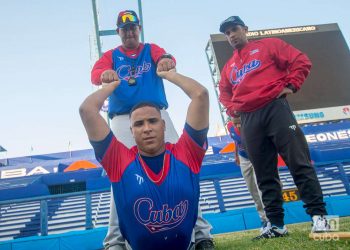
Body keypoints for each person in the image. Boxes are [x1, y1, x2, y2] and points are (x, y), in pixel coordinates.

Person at [91, 10, 213, 249]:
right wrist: (103, 74)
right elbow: (96, 74)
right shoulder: (111, 55)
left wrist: (168, 61)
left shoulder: (151, 49)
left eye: (133, 27)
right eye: (124, 29)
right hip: (124, 119)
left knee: (185, 168)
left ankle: (201, 234)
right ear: (118, 32)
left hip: (155, 115)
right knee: (121, 178)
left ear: (139, 29)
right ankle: (114, 241)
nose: (129, 32)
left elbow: (166, 57)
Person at [218, 16, 329, 239]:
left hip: (274, 108)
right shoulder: (229, 66)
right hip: (249, 119)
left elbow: (300, 60)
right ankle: (276, 225)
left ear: (245, 29)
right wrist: (234, 110)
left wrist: (291, 85)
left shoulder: (269, 45)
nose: (231, 35)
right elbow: (224, 93)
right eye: (227, 33)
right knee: (264, 173)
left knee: (298, 162)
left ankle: (320, 219)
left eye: (234, 30)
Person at [80, 68, 210, 250]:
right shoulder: (118, 160)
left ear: (163, 125)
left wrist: (169, 74)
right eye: (139, 124)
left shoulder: (187, 153)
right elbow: (87, 110)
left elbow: (201, 95)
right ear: (131, 131)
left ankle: (204, 238)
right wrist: (111, 87)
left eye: (153, 121)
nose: (147, 128)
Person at [226, 120, 269, 232]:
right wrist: (236, 155)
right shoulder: (230, 125)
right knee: (252, 190)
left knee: (261, 189)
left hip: (256, 154)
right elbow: (236, 141)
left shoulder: (250, 120)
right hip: (243, 157)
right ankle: (264, 220)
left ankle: (270, 219)